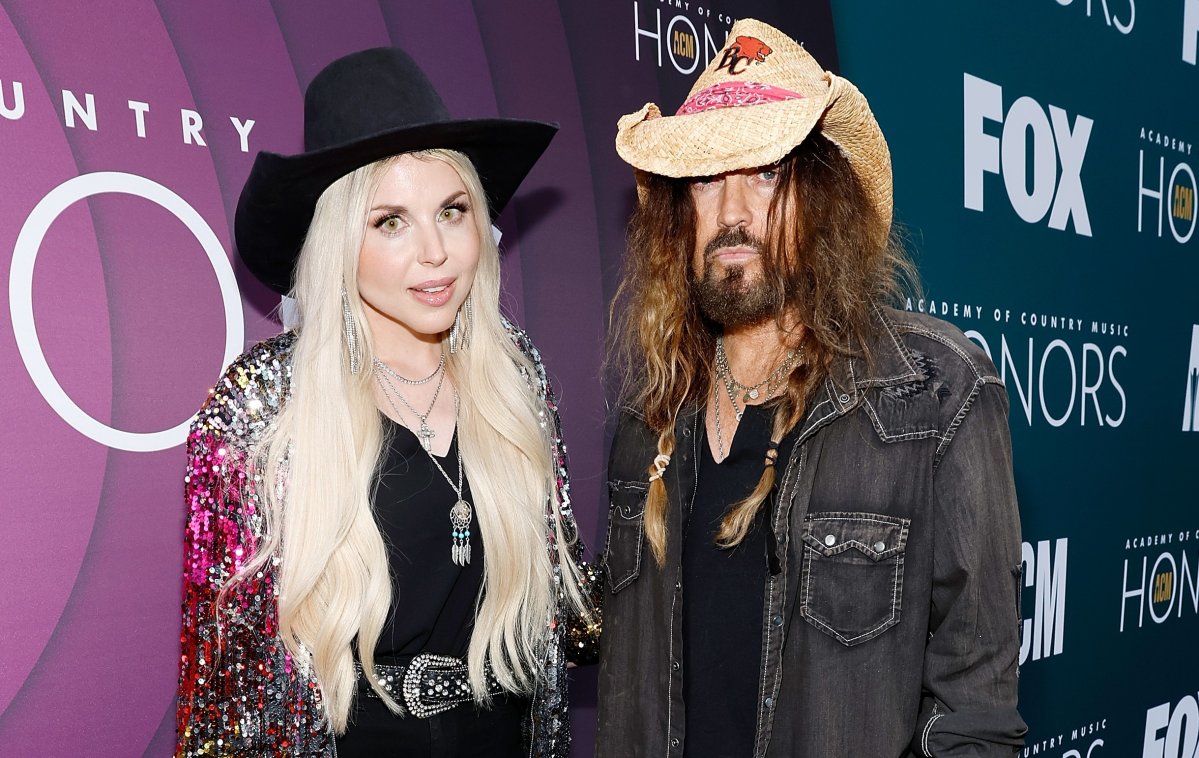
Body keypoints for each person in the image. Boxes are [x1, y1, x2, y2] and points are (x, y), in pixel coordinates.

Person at [597, 18, 1027, 757]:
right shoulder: (651, 418)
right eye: (705, 179)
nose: (732, 214)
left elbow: (974, 713)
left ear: (823, 198)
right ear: (677, 213)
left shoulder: (935, 394)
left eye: (765, 173)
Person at [175, 47, 598, 758]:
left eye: (452, 211)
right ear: (340, 240)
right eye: (390, 222)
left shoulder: (514, 374)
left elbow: (563, 608)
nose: (435, 252)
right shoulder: (260, 405)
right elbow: (228, 691)